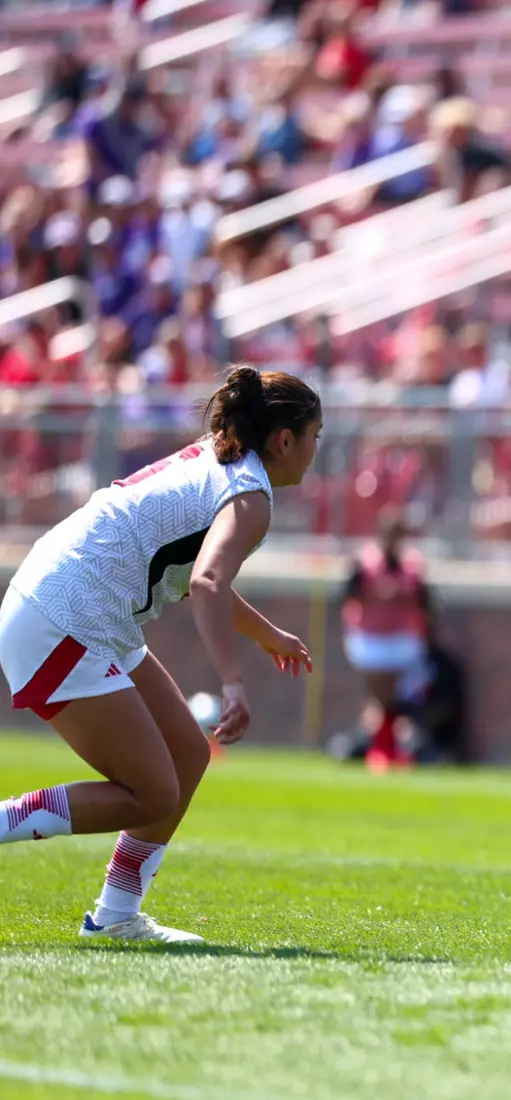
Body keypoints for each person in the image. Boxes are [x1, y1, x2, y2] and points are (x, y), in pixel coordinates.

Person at [0, 366, 321, 943]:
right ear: (285, 439)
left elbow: (194, 571)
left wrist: (265, 633)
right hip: (66, 615)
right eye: (316, 436)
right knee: (150, 791)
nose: (317, 450)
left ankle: (116, 915)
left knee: (184, 758)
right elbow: (206, 582)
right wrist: (234, 684)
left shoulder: (224, 460)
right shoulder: (252, 496)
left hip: (76, 604)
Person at [341, 510, 431, 771]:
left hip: (401, 639)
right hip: (370, 640)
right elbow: (349, 594)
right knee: (380, 695)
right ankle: (381, 748)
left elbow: (425, 601)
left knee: (389, 698)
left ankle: (385, 748)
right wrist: (379, 596)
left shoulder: (413, 564)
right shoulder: (365, 561)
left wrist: (400, 597)